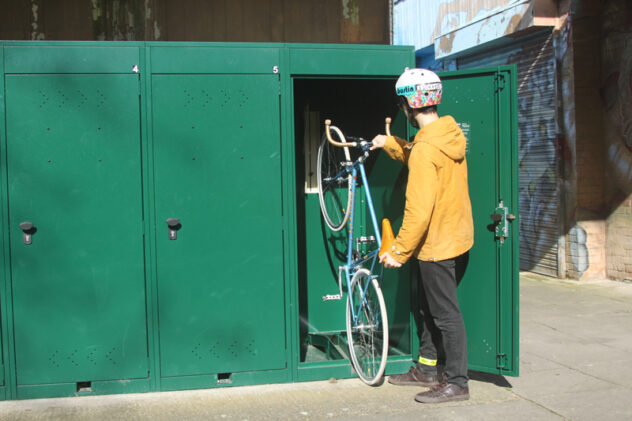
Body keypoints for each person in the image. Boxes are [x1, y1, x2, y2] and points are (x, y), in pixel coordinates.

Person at [371, 68, 474, 404]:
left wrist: (399, 251)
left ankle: (457, 382)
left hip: (436, 245)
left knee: (445, 314)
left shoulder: (428, 149)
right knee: (429, 307)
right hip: (455, 237)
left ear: (407, 105)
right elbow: (416, 152)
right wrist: (389, 143)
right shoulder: (446, 135)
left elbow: (418, 210)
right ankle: (428, 367)